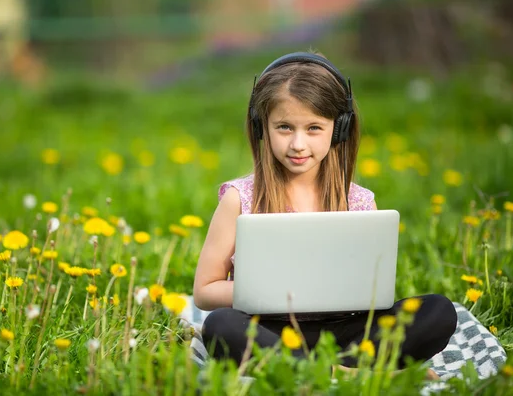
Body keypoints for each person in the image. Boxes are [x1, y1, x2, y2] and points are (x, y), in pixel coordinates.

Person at [192, 51, 457, 378]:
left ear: (340, 128)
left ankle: (321, 370)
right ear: (262, 127)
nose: (298, 144)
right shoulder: (239, 198)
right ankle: (352, 373)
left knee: (438, 311)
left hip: (347, 332)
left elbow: (375, 291)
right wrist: (272, 288)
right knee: (221, 326)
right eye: (285, 127)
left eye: (314, 128)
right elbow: (205, 291)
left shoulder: (359, 201)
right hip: (273, 332)